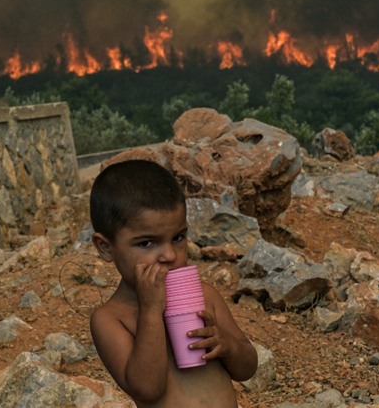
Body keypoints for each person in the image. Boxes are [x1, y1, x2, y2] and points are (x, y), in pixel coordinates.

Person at [88, 159, 257, 407]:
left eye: (178, 237)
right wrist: (151, 311)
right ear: (106, 247)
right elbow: (147, 390)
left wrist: (228, 346)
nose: (170, 255)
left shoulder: (205, 296)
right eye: (146, 243)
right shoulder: (111, 319)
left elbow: (248, 369)